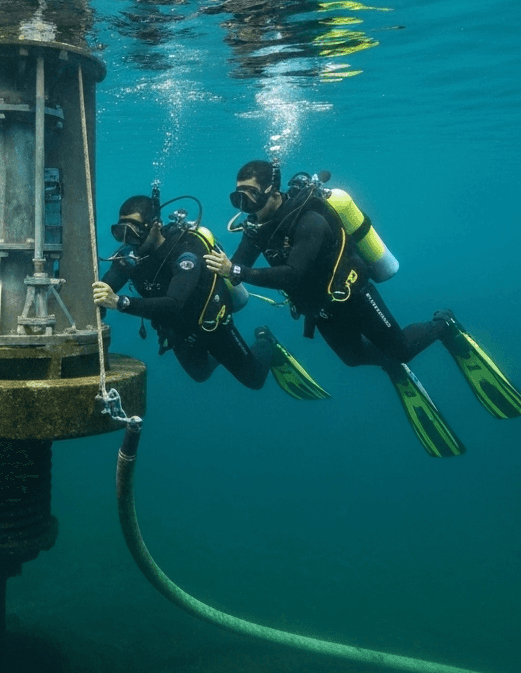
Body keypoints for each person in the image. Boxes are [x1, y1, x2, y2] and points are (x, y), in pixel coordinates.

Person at [205, 160, 521, 457]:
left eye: (251, 195)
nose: (244, 205)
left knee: (402, 349)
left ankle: (443, 324)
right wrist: (222, 271)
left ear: (272, 192)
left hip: (354, 296)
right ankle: (389, 362)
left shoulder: (309, 220)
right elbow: (239, 264)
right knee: (353, 358)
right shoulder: (259, 226)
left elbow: (292, 274)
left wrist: (236, 271)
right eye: (238, 197)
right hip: (321, 308)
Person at [92, 191, 327, 400]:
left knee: (254, 379)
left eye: (134, 233)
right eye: (121, 233)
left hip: (212, 327)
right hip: (178, 332)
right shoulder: (129, 258)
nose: (129, 242)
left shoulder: (185, 252)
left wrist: (119, 302)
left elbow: (174, 304)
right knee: (200, 374)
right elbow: (104, 289)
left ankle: (267, 341)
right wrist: (98, 305)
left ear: (155, 225)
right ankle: (224, 357)